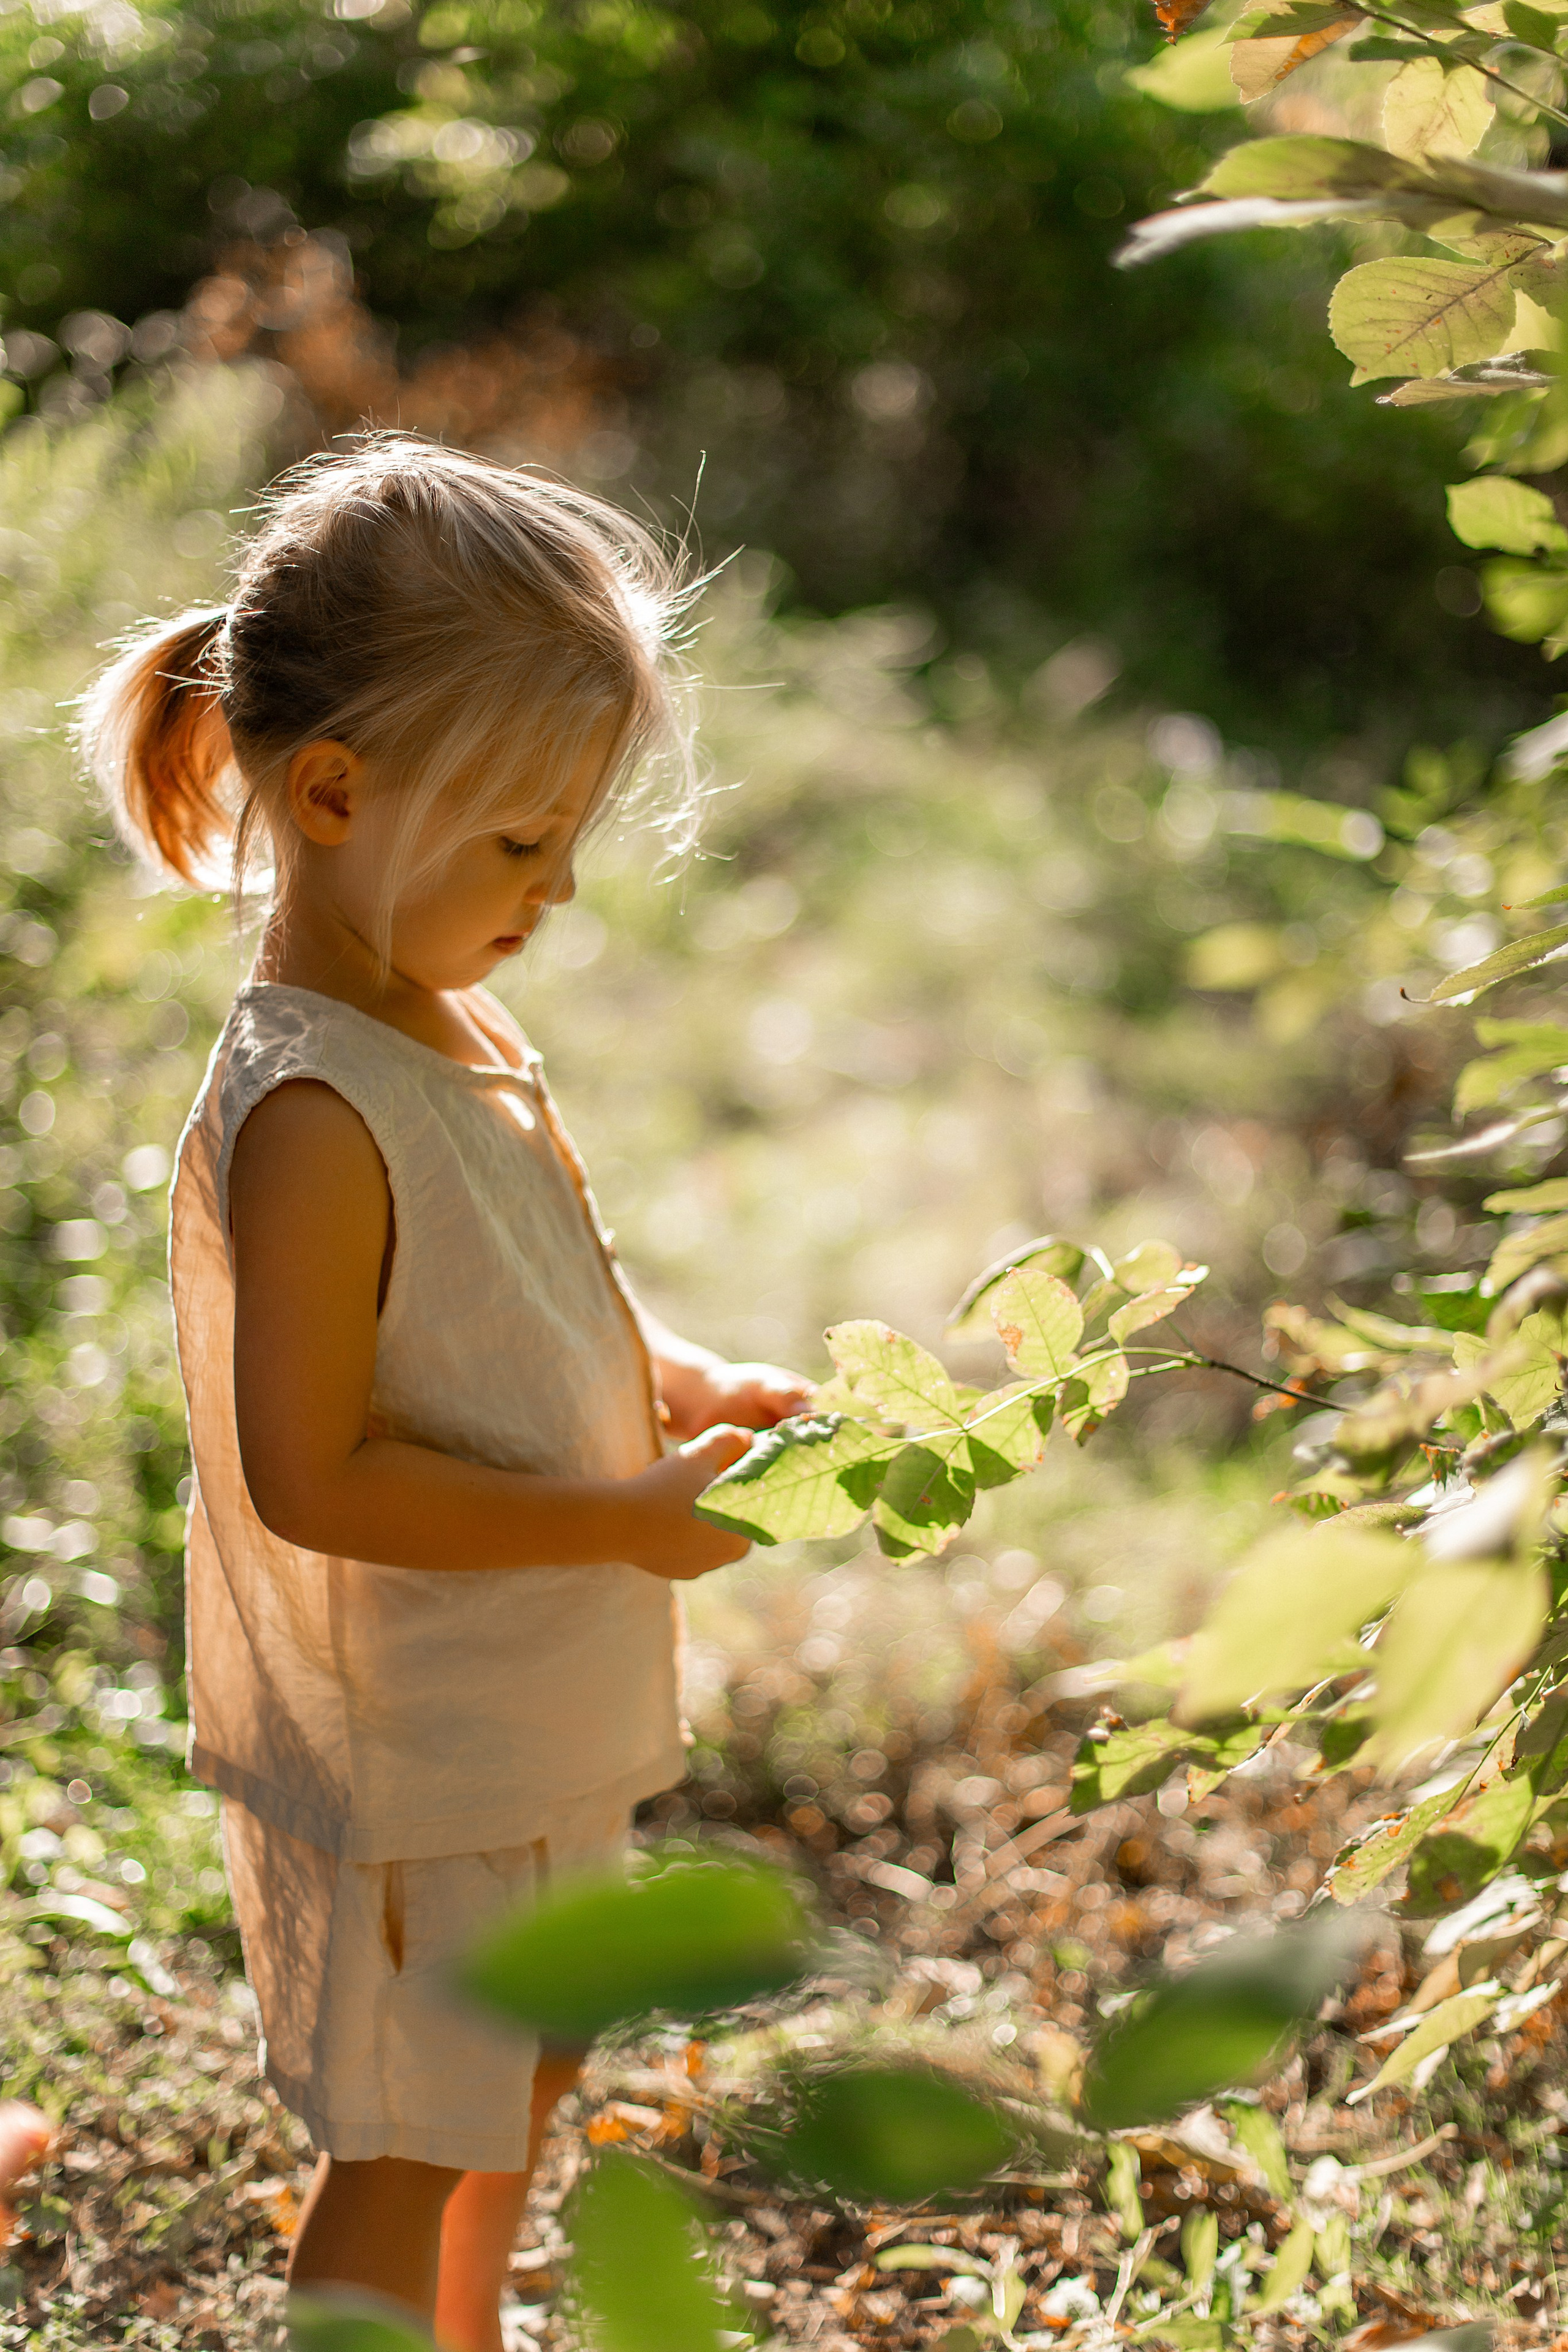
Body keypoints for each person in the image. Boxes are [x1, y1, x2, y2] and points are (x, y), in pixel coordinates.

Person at [80, 437, 812, 2351]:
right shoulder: (314, 1108)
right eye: (519, 842)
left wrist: (681, 1380)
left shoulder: (458, 1024)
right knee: (404, 2142)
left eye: (571, 839)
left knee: (535, 2065)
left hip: (533, 1702)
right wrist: (623, 1524)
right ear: (332, 792)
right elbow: (310, 1472)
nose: (560, 888)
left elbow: (533, 1292)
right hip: (419, 1746)